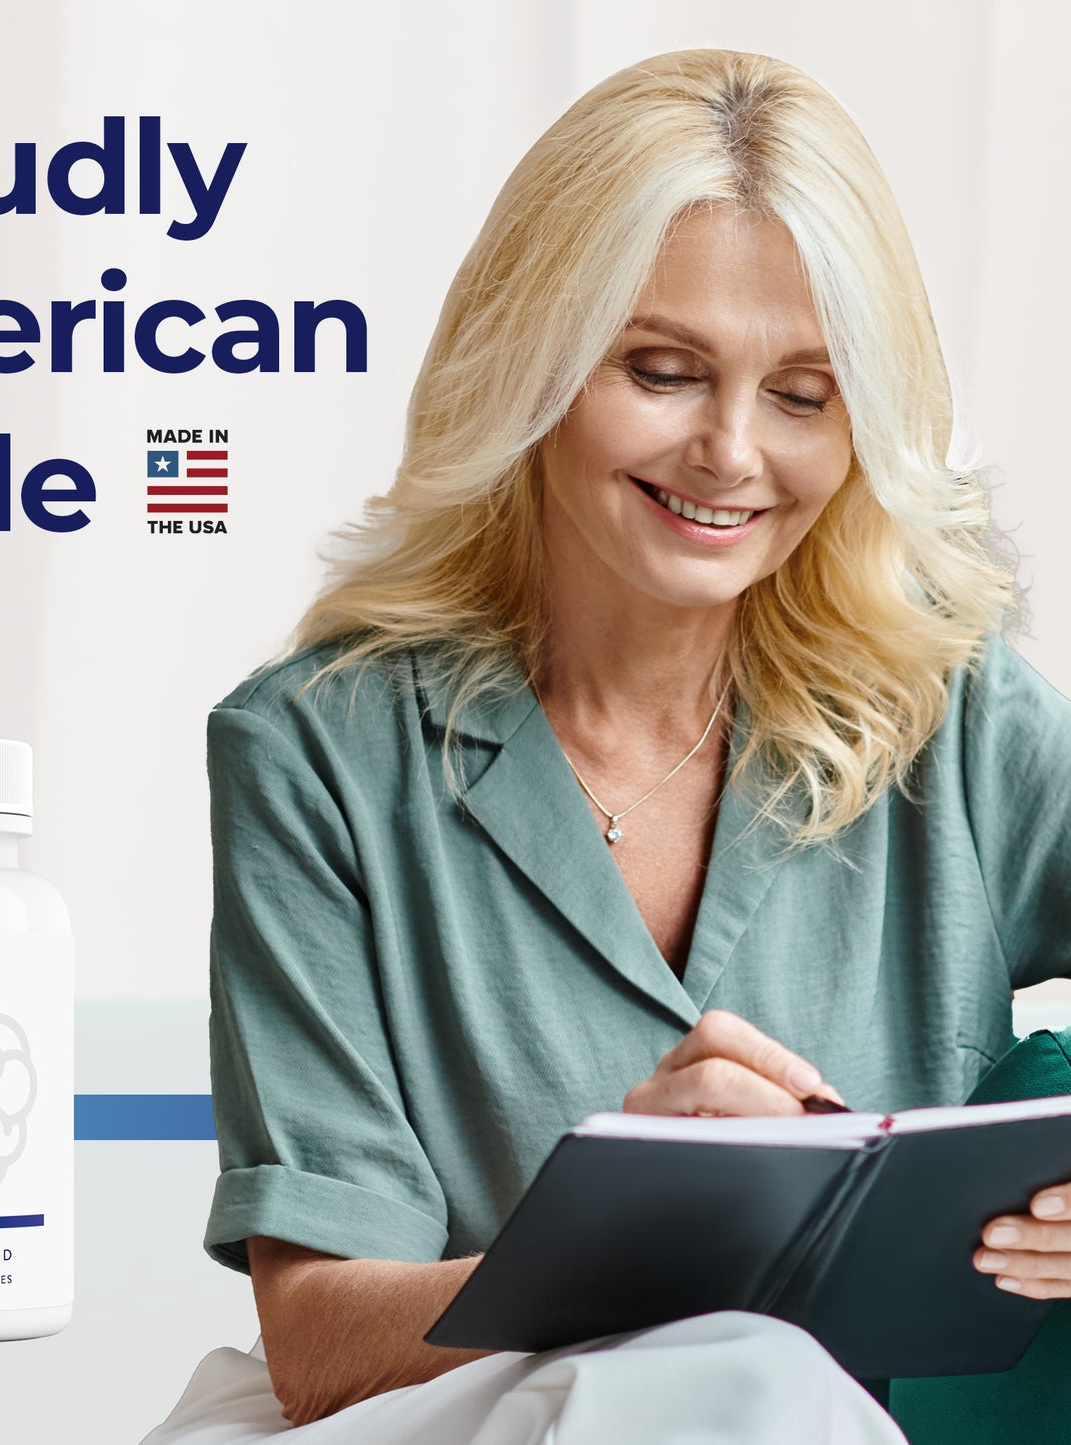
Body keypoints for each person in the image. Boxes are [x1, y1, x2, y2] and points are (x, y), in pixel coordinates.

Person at [143, 47, 1071, 1445]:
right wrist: (650, 1229)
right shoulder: (316, 752)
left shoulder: (957, 719)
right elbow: (319, 1344)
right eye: (661, 369)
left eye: (804, 395)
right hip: (452, 1418)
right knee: (745, 1385)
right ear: (534, 363)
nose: (730, 452)